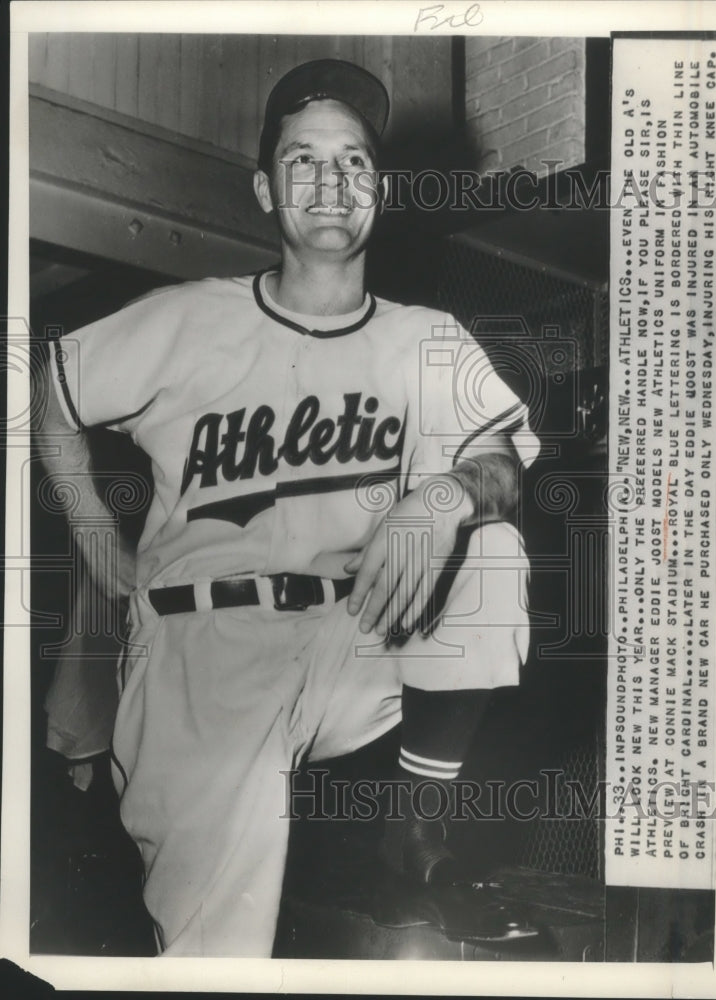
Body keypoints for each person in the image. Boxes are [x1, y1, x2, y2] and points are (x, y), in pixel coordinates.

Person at [40, 59, 539, 957]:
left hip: (357, 631)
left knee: (486, 543)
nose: (331, 182)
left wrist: (443, 495)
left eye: (354, 161)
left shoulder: (424, 337)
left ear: (380, 191)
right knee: (214, 960)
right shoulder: (187, 317)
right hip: (203, 660)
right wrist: (91, 532)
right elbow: (50, 389)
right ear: (266, 189)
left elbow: (501, 460)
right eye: (303, 160)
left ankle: (415, 844)